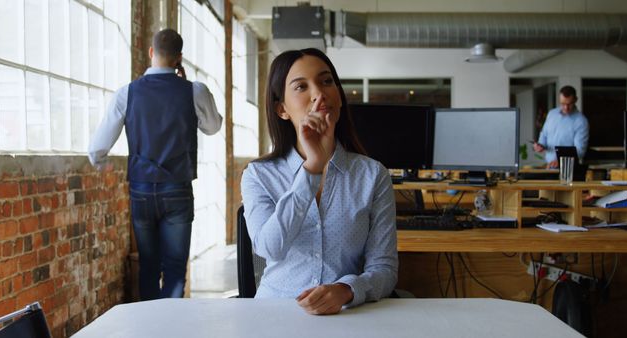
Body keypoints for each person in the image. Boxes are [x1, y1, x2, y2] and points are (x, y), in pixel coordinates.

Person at [240, 48, 398, 315]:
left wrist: (347, 289)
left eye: (326, 81)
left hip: (346, 313)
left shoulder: (373, 175)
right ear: (282, 110)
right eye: (301, 86)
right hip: (275, 313)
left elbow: (384, 269)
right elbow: (270, 248)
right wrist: (312, 167)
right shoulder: (259, 175)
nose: (319, 94)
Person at [88, 29, 223, 300]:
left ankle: (149, 327)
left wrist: (106, 167)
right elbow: (212, 127)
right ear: (179, 58)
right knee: (174, 268)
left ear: (151, 52)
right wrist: (190, 92)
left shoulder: (127, 93)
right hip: (177, 189)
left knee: (148, 267)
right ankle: (171, 327)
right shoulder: (194, 91)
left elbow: (96, 150)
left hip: (141, 188)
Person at [533, 85, 589, 169]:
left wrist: (561, 161)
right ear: (559, 100)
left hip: (568, 169)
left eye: (569, 104)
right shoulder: (552, 114)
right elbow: (544, 134)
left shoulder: (581, 121)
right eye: (563, 104)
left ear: (575, 100)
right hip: (549, 167)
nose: (566, 108)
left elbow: (580, 150)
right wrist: (540, 145)